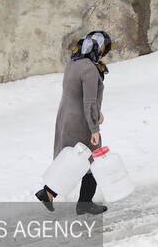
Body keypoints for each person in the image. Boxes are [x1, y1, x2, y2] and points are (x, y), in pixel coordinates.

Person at [36, 31, 114, 214]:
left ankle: (48, 193)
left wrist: (97, 112)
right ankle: (84, 203)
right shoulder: (90, 69)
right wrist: (94, 129)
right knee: (92, 159)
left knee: (71, 159)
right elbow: (88, 102)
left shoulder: (74, 62)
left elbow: (79, 95)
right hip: (82, 122)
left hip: (66, 117)